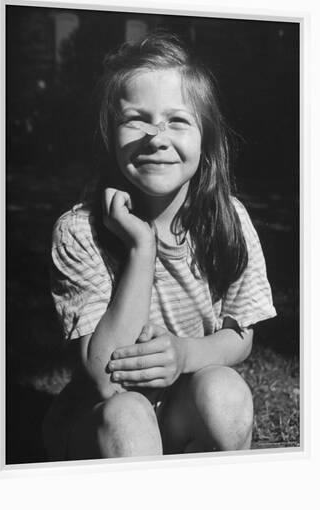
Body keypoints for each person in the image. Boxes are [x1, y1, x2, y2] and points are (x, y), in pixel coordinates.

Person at [42, 33, 276, 461]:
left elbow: (240, 335)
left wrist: (186, 353)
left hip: (183, 408)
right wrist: (140, 249)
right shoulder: (79, 231)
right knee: (129, 414)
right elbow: (105, 379)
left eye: (178, 120)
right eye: (137, 119)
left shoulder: (229, 220)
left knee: (225, 391)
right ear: (108, 135)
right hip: (106, 422)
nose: (156, 137)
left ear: (205, 138)